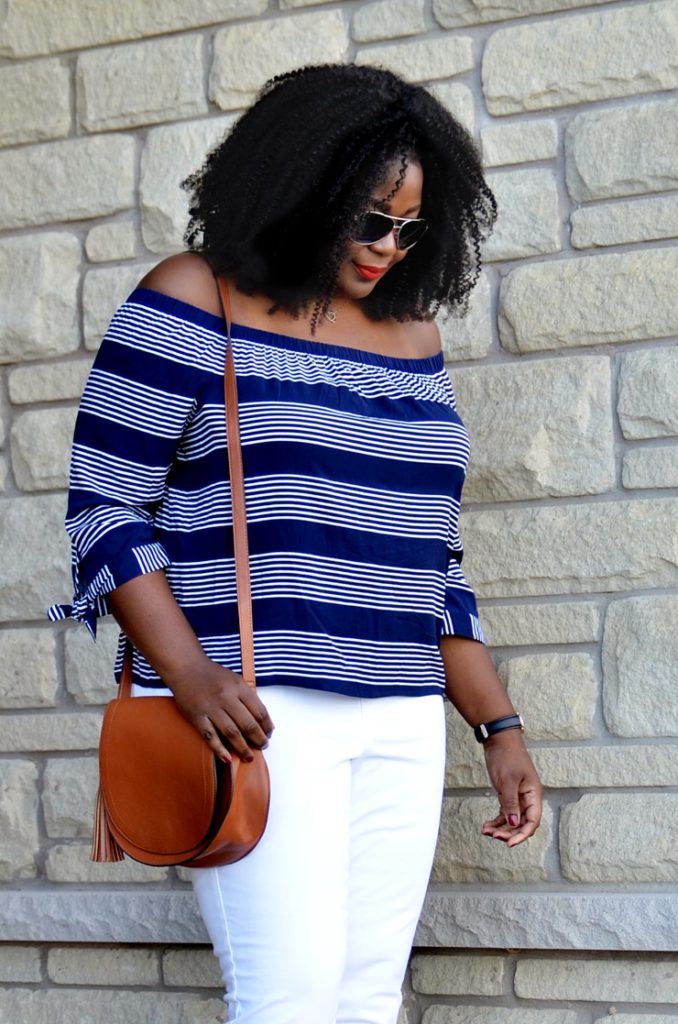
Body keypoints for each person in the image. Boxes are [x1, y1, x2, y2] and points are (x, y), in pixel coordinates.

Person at [50, 63, 542, 1024]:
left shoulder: (413, 336)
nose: (389, 247)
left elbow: (429, 560)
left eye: (411, 228)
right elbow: (103, 509)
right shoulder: (195, 297)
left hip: (400, 718)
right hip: (255, 712)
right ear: (303, 183)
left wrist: (499, 726)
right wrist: (190, 676)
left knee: (363, 1002)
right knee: (290, 1001)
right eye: (369, 219)